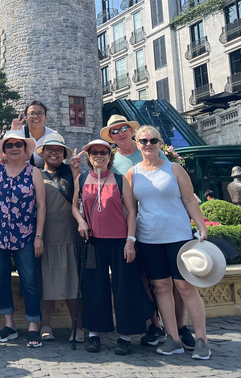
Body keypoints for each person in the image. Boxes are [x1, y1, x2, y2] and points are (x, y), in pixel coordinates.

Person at [100, 114, 190, 349]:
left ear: (131, 131)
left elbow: (176, 185)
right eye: (114, 131)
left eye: (123, 128)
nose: (119, 133)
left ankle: (180, 327)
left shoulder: (151, 150)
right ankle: (156, 325)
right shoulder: (114, 161)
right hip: (134, 227)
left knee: (175, 282)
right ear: (111, 137)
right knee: (148, 280)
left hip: (165, 226)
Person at [126, 125, 211, 360]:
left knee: (185, 287)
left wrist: (201, 227)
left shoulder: (174, 169)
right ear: (137, 144)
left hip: (178, 236)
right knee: (161, 288)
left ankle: (201, 339)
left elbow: (190, 201)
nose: (148, 144)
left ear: (160, 143)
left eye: (153, 140)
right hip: (149, 238)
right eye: (143, 141)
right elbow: (131, 210)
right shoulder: (133, 174)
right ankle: (172, 337)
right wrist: (130, 239)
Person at [72, 139, 152, 355]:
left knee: (124, 287)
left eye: (103, 152)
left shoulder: (119, 179)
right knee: (93, 287)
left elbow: (131, 211)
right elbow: (74, 205)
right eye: (94, 152)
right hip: (93, 241)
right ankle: (94, 334)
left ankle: (125, 336)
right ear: (89, 157)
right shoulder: (82, 178)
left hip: (119, 241)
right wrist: (81, 221)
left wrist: (130, 240)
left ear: (110, 156)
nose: (99, 155)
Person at [0, 130, 46, 348]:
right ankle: (9, 324)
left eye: (18, 145)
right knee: (2, 280)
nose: (14, 148)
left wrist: (38, 235)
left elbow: (41, 206)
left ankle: (33, 325)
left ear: (25, 150)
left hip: (25, 235)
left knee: (29, 281)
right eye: (9, 145)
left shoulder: (33, 172)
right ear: (4, 150)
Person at [35, 133, 82, 342]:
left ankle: (77, 325)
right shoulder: (36, 174)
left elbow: (80, 201)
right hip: (44, 234)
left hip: (69, 235)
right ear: (43, 152)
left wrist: (76, 171)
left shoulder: (72, 175)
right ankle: (46, 324)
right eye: (50, 149)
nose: (54, 153)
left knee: (73, 282)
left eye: (58, 150)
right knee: (45, 283)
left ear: (64, 154)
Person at [10, 100, 55, 167]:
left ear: (45, 117)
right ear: (26, 118)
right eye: (32, 113)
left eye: (39, 113)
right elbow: (4, 156)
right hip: (20, 174)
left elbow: (59, 161)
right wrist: (13, 132)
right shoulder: (19, 132)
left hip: (45, 175)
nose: (36, 117)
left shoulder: (53, 136)